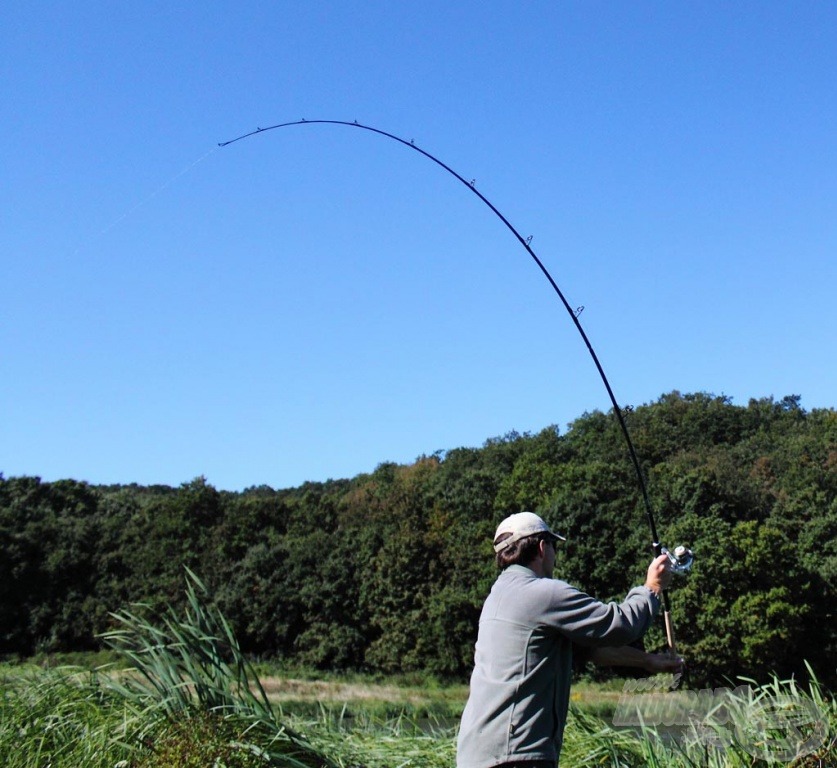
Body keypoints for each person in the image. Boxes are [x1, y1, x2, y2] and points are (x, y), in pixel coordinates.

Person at [456, 511, 683, 768]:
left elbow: (587, 650)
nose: (554, 555)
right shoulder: (543, 593)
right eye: (554, 547)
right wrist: (652, 587)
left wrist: (648, 661)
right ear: (543, 547)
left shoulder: (497, 598)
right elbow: (620, 624)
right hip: (517, 755)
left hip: (476, 756)